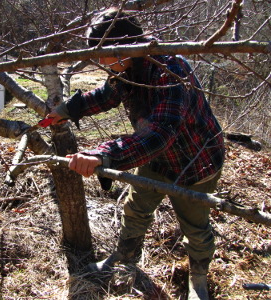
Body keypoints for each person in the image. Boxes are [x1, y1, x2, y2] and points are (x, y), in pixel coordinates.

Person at [48, 8, 225, 300]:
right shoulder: (128, 69)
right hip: (156, 158)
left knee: (195, 227)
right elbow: (106, 94)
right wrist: (67, 110)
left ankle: (198, 279)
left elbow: (160, 134)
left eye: (103, 53)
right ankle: (125, 258)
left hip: (196, 161)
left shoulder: (171, 71)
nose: (99, 60)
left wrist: (103, 155)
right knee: (136, 210)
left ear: (124, 45)